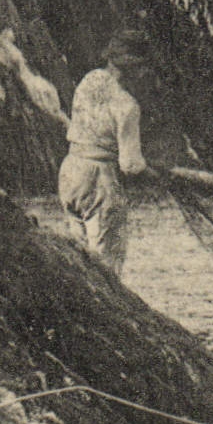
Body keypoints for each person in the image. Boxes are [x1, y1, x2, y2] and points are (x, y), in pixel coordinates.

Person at [58, 28, 159, 273]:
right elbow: (131, 166)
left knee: (79, 265)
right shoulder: (127, 105)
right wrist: (160, 176)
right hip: (99, 181)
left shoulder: (90, 79)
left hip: (70, 173)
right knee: (106, 269)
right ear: (136, 66)